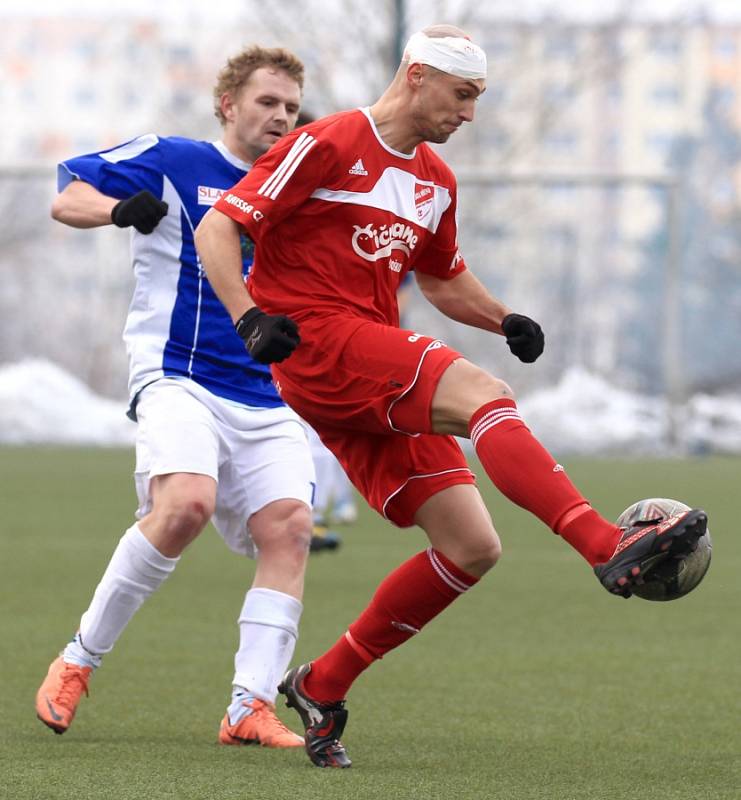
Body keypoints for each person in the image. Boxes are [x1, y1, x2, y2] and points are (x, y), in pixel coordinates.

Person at [194, 26, 709, 767]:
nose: (468, 113)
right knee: (483, 395)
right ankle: (603, 543)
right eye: (462, 94)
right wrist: (248, 316)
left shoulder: (436, 179)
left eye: (477, 98)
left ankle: (322, 682)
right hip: (318, 344)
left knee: (471, 547)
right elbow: (221, 225)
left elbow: (439, 279)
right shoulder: (329, 143)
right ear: (416, 77)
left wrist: (503, 318)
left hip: (365, 356)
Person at [35, 45, 317, 748]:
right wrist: (118, 210)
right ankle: (77, 660)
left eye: (289, 107)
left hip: (266, 393)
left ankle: (248, 706)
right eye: (266, 103)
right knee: (184, 504)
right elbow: (66, 198)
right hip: (176, 376)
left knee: (289, 529)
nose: (280, 117)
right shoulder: (175, 157)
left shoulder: (298, 189)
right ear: (228, 104)